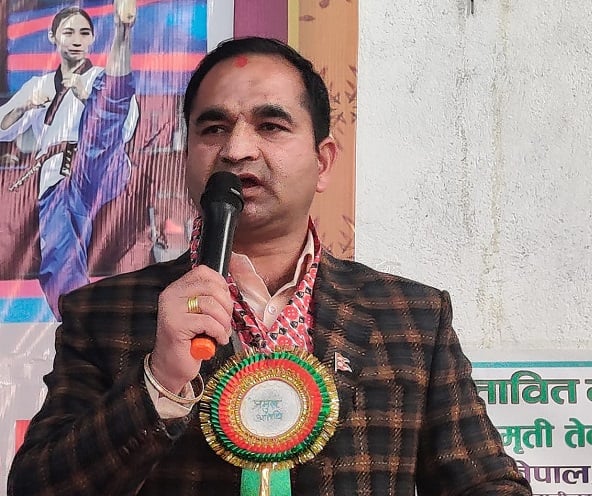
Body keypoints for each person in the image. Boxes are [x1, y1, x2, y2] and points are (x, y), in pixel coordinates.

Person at [8, 37, 531, 495]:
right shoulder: (101, 312)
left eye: (271, 125)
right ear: (186, 157)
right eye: (214, 128)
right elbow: (37, 486)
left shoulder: (413, 317)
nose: (237, 150)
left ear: (323, 162)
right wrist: (159, 381)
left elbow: (485, 483)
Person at [0, 1, 139, 319]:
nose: (77, 40)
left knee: (107, 105)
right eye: (69, 32)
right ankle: (79, 321)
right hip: (56, 177)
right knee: (58, 256)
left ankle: (123, 31)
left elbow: (123, 126)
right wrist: (23, 107)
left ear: (93, 39)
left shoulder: (98, 77)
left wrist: (86, 96)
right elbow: (2, 128)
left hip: (99, 163)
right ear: (53, 37)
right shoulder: (38, 85)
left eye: (84, 33)